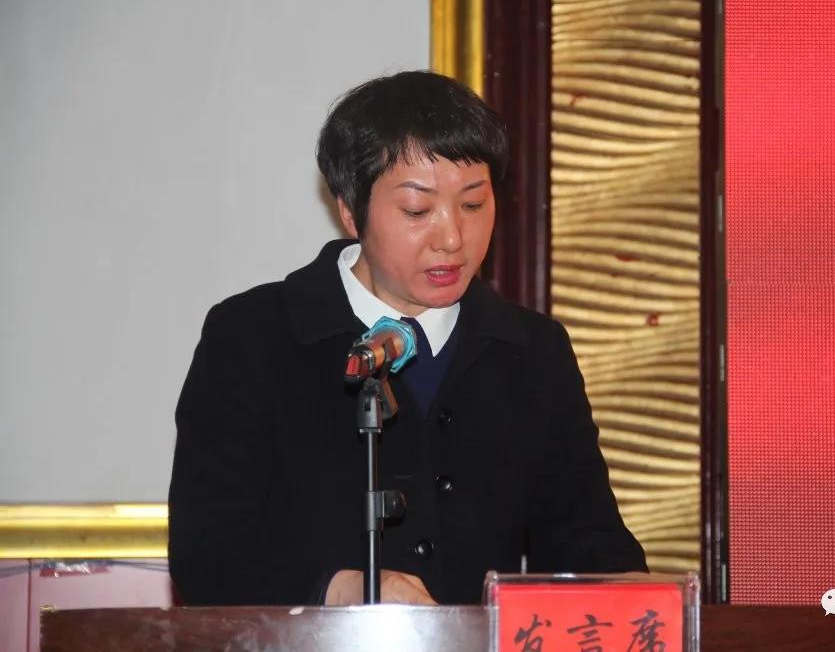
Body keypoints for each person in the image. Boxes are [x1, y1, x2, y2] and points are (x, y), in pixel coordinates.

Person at [168, 70, 646, 607]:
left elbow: (588, 540)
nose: (452, 238)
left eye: (473, 204)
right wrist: (343, 589)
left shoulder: (532, 351)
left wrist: (632, 597)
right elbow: (208, 549)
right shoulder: (254, 336)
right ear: (349, 210)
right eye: (417, 211)